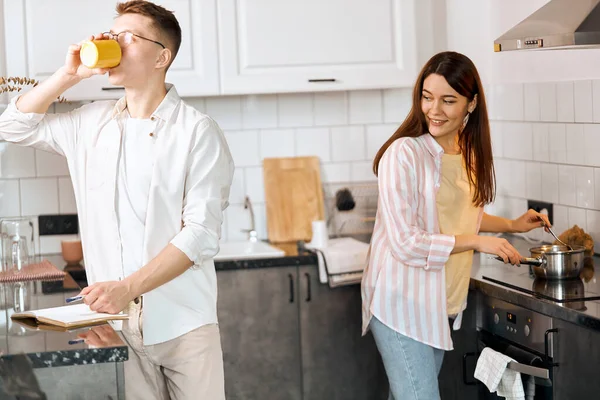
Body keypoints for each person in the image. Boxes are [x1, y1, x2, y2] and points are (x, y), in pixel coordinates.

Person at [0, 1, 234, 399]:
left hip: (184, 326)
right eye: (112, 34)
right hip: (114, 326)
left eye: (129, 36)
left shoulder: (198, 132)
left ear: (163, 56)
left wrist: (127, 288)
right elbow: (11, 126)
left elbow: (199, 235)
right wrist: (68, 74)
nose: (114, 42)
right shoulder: (89, 122)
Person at [361, 51, 550, 400]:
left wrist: (511, 224)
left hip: (440, 304)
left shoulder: (468, 154)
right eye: (427, 97)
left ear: (471, 104)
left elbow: (459, 217)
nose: (434, 109)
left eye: (449, 100)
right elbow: (406, 242)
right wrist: (479, 242)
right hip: (401, 303)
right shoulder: (404, 154)